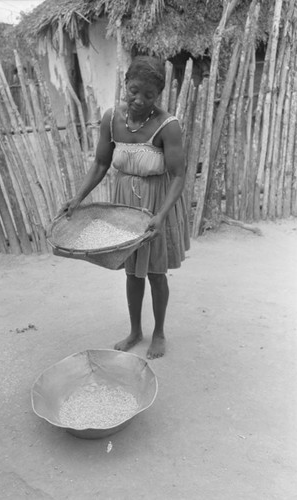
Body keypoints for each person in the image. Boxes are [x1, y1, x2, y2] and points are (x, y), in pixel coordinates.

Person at [64, 55, 190, 359]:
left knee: (156, 272)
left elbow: (178, 175)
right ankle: (135, 331)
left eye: (149, 95)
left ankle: (158, 333)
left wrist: (161, 215)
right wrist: (78, 197)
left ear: (158, 95)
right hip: (124, 205)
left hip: (157, 205)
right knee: (132, 272)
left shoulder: (167, 126)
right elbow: (101, 164)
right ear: (125, 84)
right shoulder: (111, 119)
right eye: (134, 90)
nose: (139, 100)